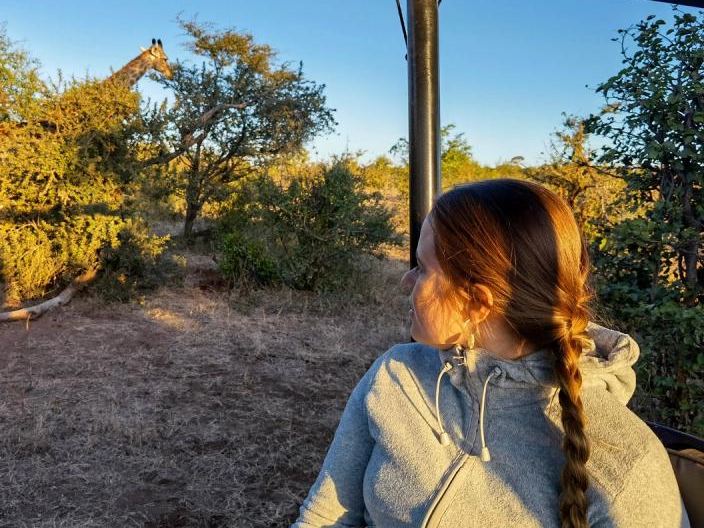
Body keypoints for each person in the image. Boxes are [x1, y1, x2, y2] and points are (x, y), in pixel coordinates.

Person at [292, 179, 689, 528]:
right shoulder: (396, 374)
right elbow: (325, 517)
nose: (406, 281)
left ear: (477, 303)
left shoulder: (628, 466)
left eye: (423, 268)